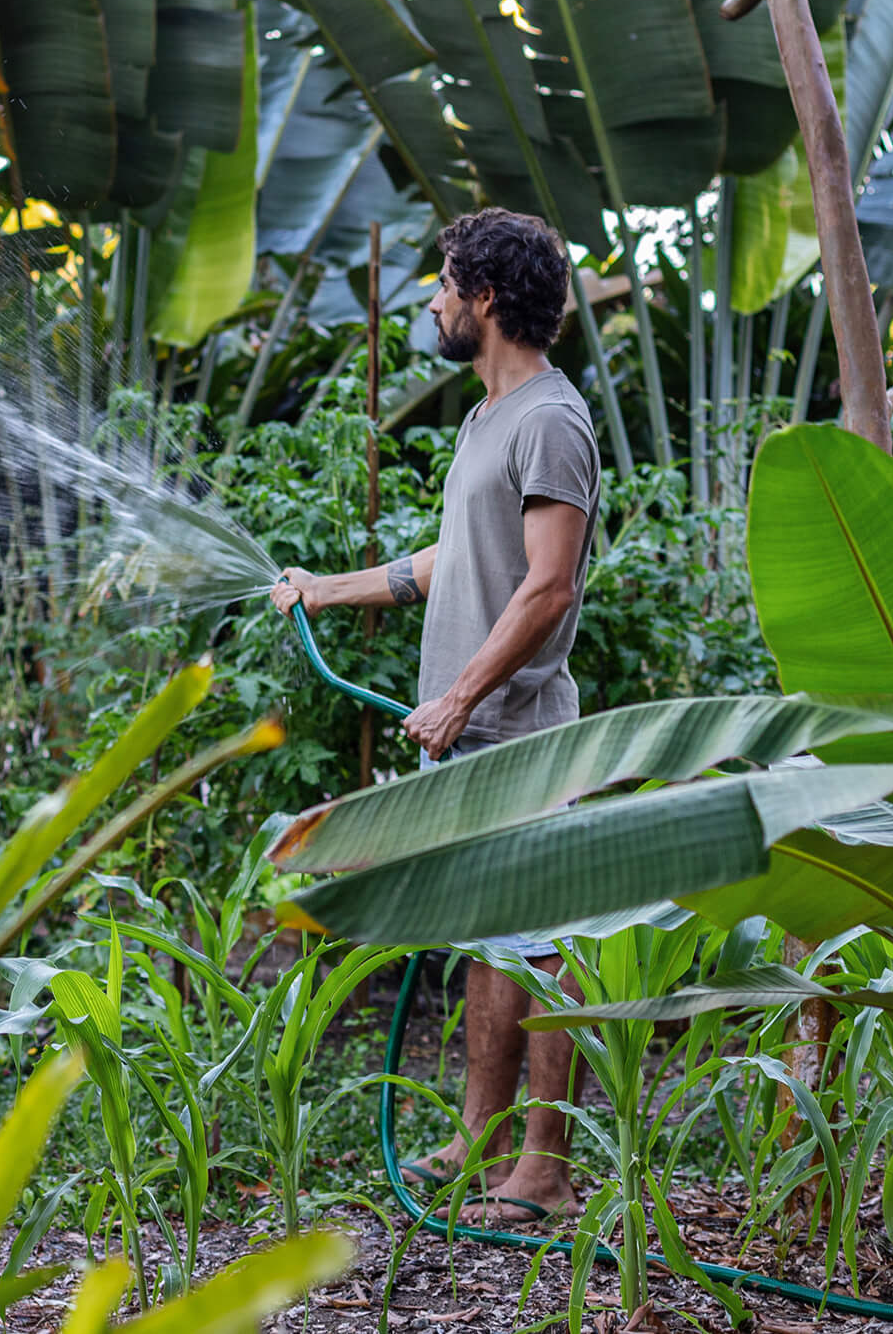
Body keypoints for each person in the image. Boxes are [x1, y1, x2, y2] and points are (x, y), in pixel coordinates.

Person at [270, 207, 600, 1223]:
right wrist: (325, 587)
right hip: (473, 737)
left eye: (442, 284)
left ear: (485, 298)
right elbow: (451, 562)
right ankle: (479, 1134)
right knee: (486, 940)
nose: (430, 301)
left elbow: (547, 584)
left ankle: (542, 1163)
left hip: (520, 733)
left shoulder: (549, 417)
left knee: (539, 941)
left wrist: (457, 692)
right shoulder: (485, 419)